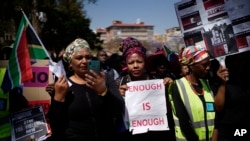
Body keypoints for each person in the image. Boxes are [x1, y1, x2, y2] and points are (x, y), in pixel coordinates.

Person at [47, 38, 125, 141]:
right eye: (79, 58)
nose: (84, 61)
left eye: (88, 57)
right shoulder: (63, 86)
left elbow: (119, 109)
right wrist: (58, 98)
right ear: (70, 63)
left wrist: (104, 91)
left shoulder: (105, 78)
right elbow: (56, 126)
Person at [115, 37, 175, 141]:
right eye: (131, 63)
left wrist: (166, 90)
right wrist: (119, 97)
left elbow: (167, 112)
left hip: (156, 135)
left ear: (145, 61)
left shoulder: (156, 81)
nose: (135, 66)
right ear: (126, 64)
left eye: (139, 61)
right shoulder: (119, 83)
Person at [168, 45, 226, 141]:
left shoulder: (206, 85)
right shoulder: (177, 86)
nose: (208, 68)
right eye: (204, 65)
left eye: (209, 64)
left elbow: (215, 117)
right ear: (192, 66)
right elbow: (184, 124)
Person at [211, 51, 250, 141]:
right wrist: (223, 84)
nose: (241, 63)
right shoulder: (218, 83)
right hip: (227, 132)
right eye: (238, 60)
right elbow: (218, 107)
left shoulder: (244, 80)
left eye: (243, 60)